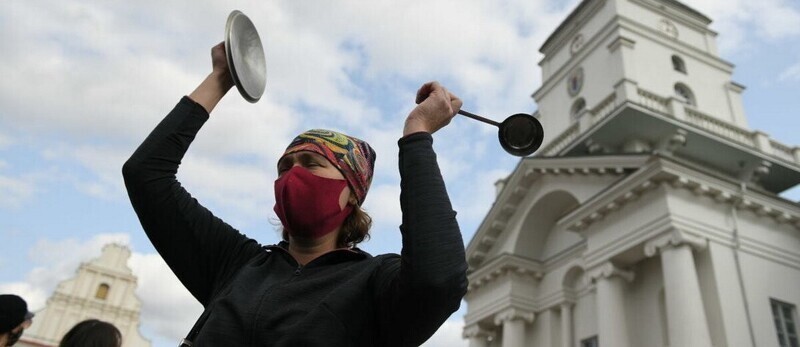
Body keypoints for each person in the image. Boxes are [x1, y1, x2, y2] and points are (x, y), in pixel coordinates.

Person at [122, 42, 468, 346]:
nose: (293, 175)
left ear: (352, 194)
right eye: (284, 167)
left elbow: (438, 280)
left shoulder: (374, 283)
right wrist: (221, 78)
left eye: (311, 163)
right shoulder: (235, 265)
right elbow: (146, 175)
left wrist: (417, 135)